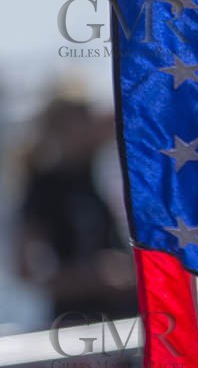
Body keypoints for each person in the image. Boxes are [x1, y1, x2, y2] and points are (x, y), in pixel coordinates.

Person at [12, 85, 137, 323]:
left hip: (126, 312)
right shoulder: (43, 187)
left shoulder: (102, 173)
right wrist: (90, 278)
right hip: (76, 320)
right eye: (81, 120)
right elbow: (26, 270)